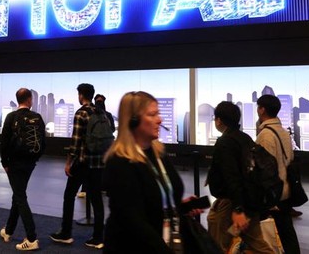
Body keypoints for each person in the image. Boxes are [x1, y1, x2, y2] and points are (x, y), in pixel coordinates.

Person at [103, 91, 194, 253]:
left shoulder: (158, 153)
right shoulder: (119, 162)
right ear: (133, 121)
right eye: (152, 114)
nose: (159, 120)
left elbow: (153, 203)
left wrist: (179, 206)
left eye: (158, 113)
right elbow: (132, 220)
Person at [206, 101, 272, 253]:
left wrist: (238, 209)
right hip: (249, 200)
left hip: (231, 204)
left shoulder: (225, 143)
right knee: (255, 242)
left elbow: (232, 177)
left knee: (218, 243)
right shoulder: (244, 138)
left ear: (219, 120)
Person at [50, 83, 105, 249]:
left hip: (83, 161)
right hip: (98, 162)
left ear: (81, 95)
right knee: (96, 199)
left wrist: (68, 163)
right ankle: (98, 238)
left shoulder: (81, 113)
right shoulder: (100, 112)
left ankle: (66, 233)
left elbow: (75, 142)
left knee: (69, 195)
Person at [0, 88, 46, 251]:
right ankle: (9, 231)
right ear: (30, 99)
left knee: (20, 196)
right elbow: (43, 142)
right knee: (18, 195)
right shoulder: (38, 117)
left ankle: (32, 237)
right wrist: (35, 159)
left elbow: (4, 142)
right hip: (30, 163)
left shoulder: (12, 117)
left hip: (15, 163)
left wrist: (4, 162)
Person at [255, 95, 301, 254]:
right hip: (286, 189)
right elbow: (289, 158)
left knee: (269, 235)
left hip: (273, 194)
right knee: (287, 232)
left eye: (258, 107)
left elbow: (264, 169)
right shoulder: (283, 132)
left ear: (262, 110)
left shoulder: (264, 135)